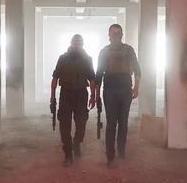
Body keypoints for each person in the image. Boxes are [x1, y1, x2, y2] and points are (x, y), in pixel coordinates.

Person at [95, 24, 141, 166]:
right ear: (108, 35)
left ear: (122, 34)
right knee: (111, 124)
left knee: (123, 123)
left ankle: (121, 150)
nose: (116, 35)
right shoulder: (104, 52)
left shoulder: (129, 50)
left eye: (118, 33)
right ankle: (110, 155)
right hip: (109, 91)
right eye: (113, 33)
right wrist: (96, 94)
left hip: (125, 91)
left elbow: (138, 71)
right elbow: (98, 75)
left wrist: (136, 88)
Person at [51, 34, 96, 165]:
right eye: (75, 43)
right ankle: (68, 154)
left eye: (79, 43)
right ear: (71, 43)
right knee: (64, 126)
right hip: (66, 94)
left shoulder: (87, 59)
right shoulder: (63, 58)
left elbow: (92, 79)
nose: (77, 45)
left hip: (81, 94)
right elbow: (55, 78)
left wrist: (93, 96)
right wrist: (52, 96)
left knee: (81, 124)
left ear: (82, 44)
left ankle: (77, 143)